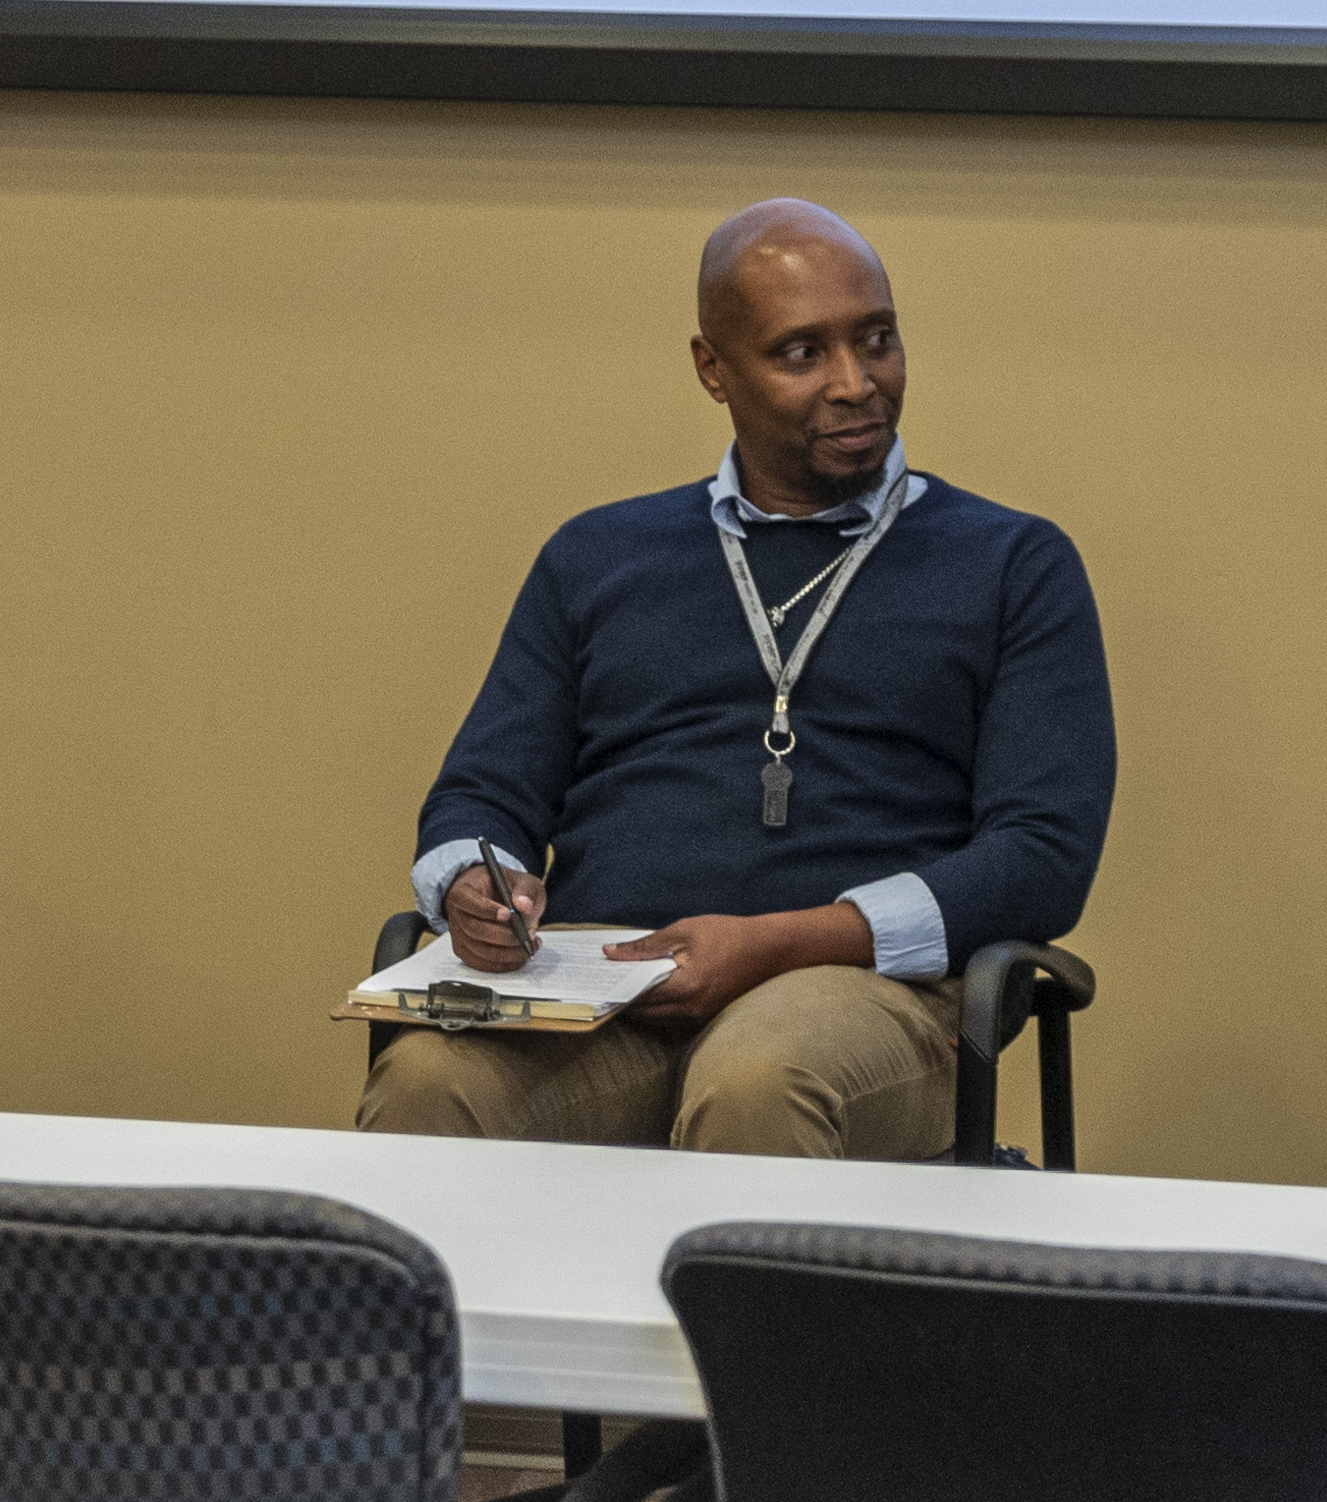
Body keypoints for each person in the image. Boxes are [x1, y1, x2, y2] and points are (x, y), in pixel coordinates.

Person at [359, 200, 1112, 1162]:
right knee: (429, 1082)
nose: (855, 384)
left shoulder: (1013, 564)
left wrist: (784, 941)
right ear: (714, 369)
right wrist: (474, 877)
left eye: (876, 340)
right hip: (610, 983)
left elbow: (1042, 856)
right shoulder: (598, 556)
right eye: (803, 354)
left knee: (757, 1081)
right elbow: (483, 792)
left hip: (870, 995)